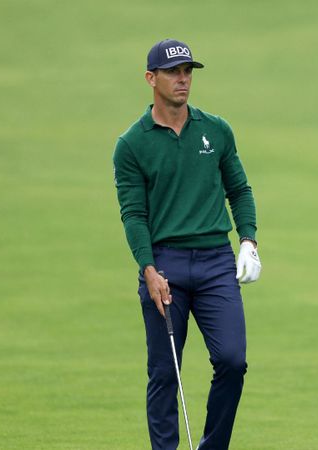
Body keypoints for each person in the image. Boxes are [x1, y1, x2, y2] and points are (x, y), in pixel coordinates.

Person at [112, 38, 261, 450]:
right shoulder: (132, 145)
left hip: (215, 261)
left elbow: (240, 190)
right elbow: (134, 215)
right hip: (164, 265)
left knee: (232, 361)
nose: (183, 79)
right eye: (173, 72)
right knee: (164, 372)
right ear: (150, 78)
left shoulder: (216, 129)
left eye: (188, 72)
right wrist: (148, 268)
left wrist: (247, 240)